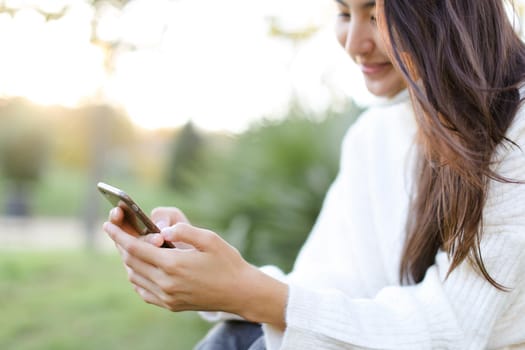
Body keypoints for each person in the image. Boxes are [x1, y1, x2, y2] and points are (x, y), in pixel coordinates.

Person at [103, 0, 525, 348]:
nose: (355, 43)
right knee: (235, 336)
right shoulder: (372, 136)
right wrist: (218, 277)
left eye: (377, 16)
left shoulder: (516, 129)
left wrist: (249, 294)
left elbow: (454, 329)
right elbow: (330, 286)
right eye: (344, 14)